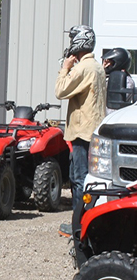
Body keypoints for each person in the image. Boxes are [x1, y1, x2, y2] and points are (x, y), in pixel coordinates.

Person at [55, 25, 106, 237]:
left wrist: (65, 67)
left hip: (82, 132)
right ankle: (88, 222)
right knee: (88, 178)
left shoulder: (83, 68)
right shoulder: (96, 66)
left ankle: (80, 224)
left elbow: (60, 90)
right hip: (93, 129)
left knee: (79, 178)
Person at [102, 47, 133, 115]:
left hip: (113, 116)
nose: (105, 65)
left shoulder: (126, 80)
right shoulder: (107, 77)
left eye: (109, 62)